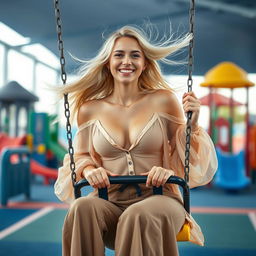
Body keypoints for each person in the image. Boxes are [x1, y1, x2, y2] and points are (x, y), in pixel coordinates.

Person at [54, 25, 218, 256]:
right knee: (82, 207)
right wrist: (89, 169)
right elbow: (79, 156)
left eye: (135, 55)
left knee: (137, 215)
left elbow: (185, 149)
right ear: (107, 62)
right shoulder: (89, 109)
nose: (126, 61)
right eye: (119, 55)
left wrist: (192, 126)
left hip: (160, 198)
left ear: (145, 63)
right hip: (109, 200)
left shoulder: (163, 101)